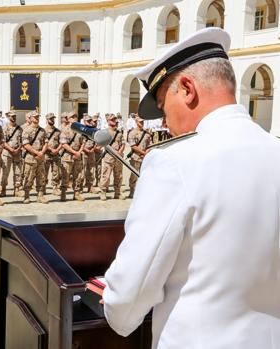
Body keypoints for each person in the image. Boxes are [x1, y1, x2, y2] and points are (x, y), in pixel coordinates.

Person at [103, 28, 280, 349]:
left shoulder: (173, 162)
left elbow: (130, 296)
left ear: (187, 88)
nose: (165, 123)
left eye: (163, 105)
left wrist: (113, 306)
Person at [21, 111, 48, 204]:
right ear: (31, 118)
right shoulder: (26, 130)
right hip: (30, 158)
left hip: (40, 158)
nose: (37, 118)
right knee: (28, 177)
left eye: (38, 117)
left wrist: (42, 152)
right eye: (35, 117)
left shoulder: (42, 130)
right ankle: (27, 195)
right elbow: (26, 144)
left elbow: (46, 143)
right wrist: (37, 152)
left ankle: (40, 195)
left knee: (41, 177)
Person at [59, 111, 85, 202]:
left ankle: (76, 193)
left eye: (75, 117)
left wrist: (79, 152)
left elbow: (83, 143)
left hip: (77, 157)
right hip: (67, 157)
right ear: (68, 119)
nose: (74, 119)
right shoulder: (65, 130)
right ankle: (63, 193)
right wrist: (74, 152)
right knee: (65, 175)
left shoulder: (80, 130)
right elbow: (63, 144)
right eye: (71, 117)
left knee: (78, 176)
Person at [99, 113, 124, 200]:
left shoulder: (119, 133)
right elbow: (99, 145)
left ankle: (117, 193)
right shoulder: (104, 132)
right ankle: (103, 192)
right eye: (113, 120)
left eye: (115, 119)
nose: (115, 121)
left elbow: (123, 144)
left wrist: (120, 152)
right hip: (108, 158)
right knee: (106, 176)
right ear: (108, 121)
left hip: (118, 158)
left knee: (118, 176)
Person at [126, 115, 152, 199]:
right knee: (134, 175)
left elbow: (150, 144)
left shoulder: (147, 133)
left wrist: (146, 152)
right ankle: (132, 191)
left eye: (143, 122)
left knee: (144, 175)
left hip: (145, 157)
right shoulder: (132, 133)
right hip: (136, 157)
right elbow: (133, 146)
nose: (142, 123)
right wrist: (142, 152)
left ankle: (143, 191)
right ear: (136, 122)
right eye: (140, 122)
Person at [0, 111, 23, 198]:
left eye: (14, 116)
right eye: (12, 116)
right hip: (7, 153)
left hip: (17, 153)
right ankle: (3, 189)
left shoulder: (19, 128)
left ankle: (17, 190)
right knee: (5, 172)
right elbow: (2, 141)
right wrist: (10, 149)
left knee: (18, 172)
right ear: (8, 117)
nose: (13, 118)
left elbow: (21, 141)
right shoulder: (4, 128)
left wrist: (18, 149)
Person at [43, 113, 62, 196]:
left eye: (53, 119)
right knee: (44, 172)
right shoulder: (43, 131)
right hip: (46, 154)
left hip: (56, 154)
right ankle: (42, 188)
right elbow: (42, 143)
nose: (52, 120)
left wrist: (57, 150)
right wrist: (51, 149)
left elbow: (62, 142)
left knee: (56, 172)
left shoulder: (58, 131)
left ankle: (55, 188)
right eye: (50, 119)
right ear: (47, 120)